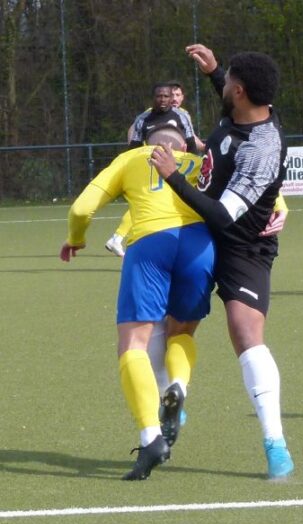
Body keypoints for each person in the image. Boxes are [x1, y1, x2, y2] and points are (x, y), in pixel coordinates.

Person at [150, 44, 294, 480]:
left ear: (241, 91)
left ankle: (275, 443)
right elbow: (231, 101)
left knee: (246, 334)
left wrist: (172, 175)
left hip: (243, 246)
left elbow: (222, 214)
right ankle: (172, 398)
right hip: (200, 234)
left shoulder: (263, 148)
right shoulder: (241, 113)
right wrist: (215, 72)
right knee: (177, 324)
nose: (224, 84)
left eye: (228, 79)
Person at [60, 126, 215, 481]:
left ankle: (150, 438)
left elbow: (81, 209)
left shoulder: (131, 158)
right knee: (181, 332)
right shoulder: (198, 164)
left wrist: (75, 238)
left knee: (133, 344)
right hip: (200, 247)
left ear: (148, 145)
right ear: (183, 146)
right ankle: (179, 386)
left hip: (150, 245)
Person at [106, 81, 205, 258]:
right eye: (159, 96)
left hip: (177, 168)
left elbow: (190, 142)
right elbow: (133, 148)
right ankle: (127, 238)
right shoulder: (143, 119)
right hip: (152, 170)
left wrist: (195, 164)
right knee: (148, 203)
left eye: (166, 96)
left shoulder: (181, 116)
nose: (163, 99)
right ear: (153, 98)